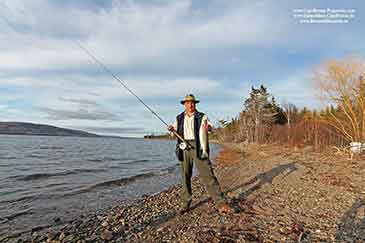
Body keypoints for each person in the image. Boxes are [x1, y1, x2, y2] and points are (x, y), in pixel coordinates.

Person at [167, 94, 233, 214]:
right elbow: (173, 133)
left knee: (208, 175)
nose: (190, 105)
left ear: (195, 104)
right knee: (185, 176)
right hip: (184, 148)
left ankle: (221, 203)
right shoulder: (178, 118)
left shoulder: (202, 116)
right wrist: (171, 129)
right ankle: (185, 203)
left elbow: (210, 127)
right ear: (184, 104)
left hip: (199, 146)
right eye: (188, 103)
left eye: (192, 103)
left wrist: (208, 128)